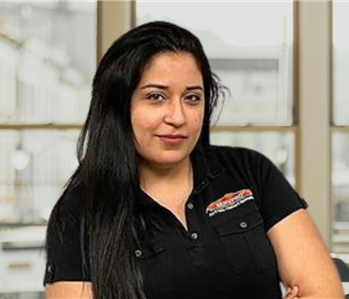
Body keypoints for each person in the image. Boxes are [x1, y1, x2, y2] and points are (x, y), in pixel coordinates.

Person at [44, 21, 344, 299]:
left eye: (192, 98)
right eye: (155, 97)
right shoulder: (78, 213)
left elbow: (323, 291)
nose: (178, 117)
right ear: (119, 107)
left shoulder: (251, 171)